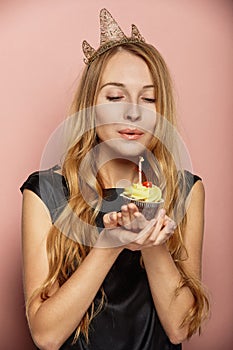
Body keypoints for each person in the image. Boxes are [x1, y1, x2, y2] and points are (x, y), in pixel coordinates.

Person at [20, 8, 209, 350]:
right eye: (115, 96)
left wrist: (152, 247)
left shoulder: (187, 191)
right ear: (90, 105)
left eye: (148, 99)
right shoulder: (44, 192)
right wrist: (112, 242)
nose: (133, 111)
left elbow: (179, 329)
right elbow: (45, 336)